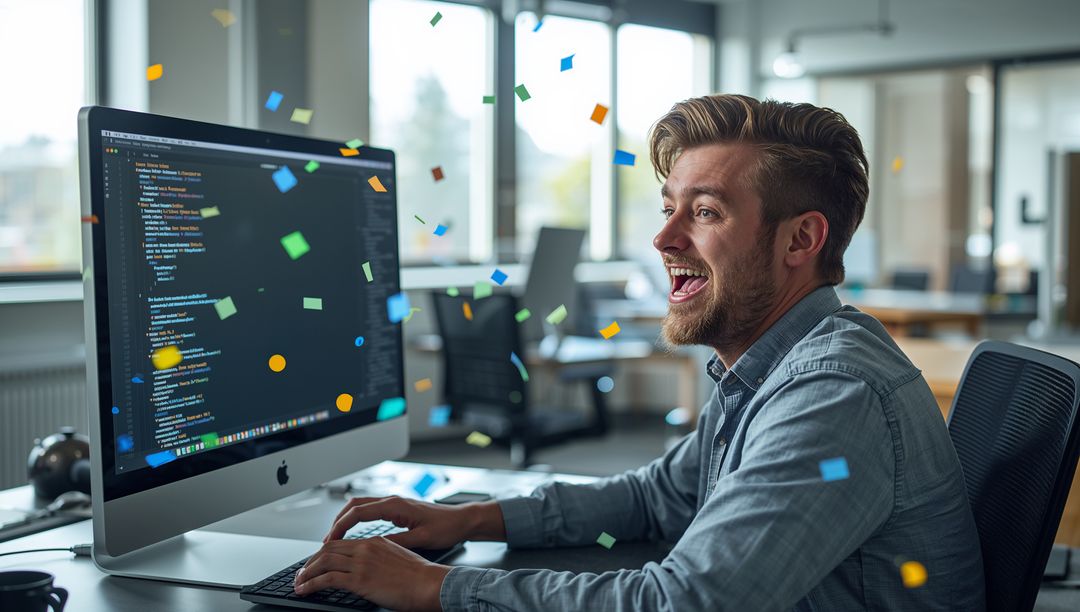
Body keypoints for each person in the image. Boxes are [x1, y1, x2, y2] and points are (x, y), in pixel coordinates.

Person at [293, 94, 986, 611]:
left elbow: (686, 604)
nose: (664, 239)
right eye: (668, 208)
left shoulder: (834, 393)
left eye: (706, 211)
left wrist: (437, 587)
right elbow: (658, 498)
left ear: (799, 241)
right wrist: (471, 518)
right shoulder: (770, 365)